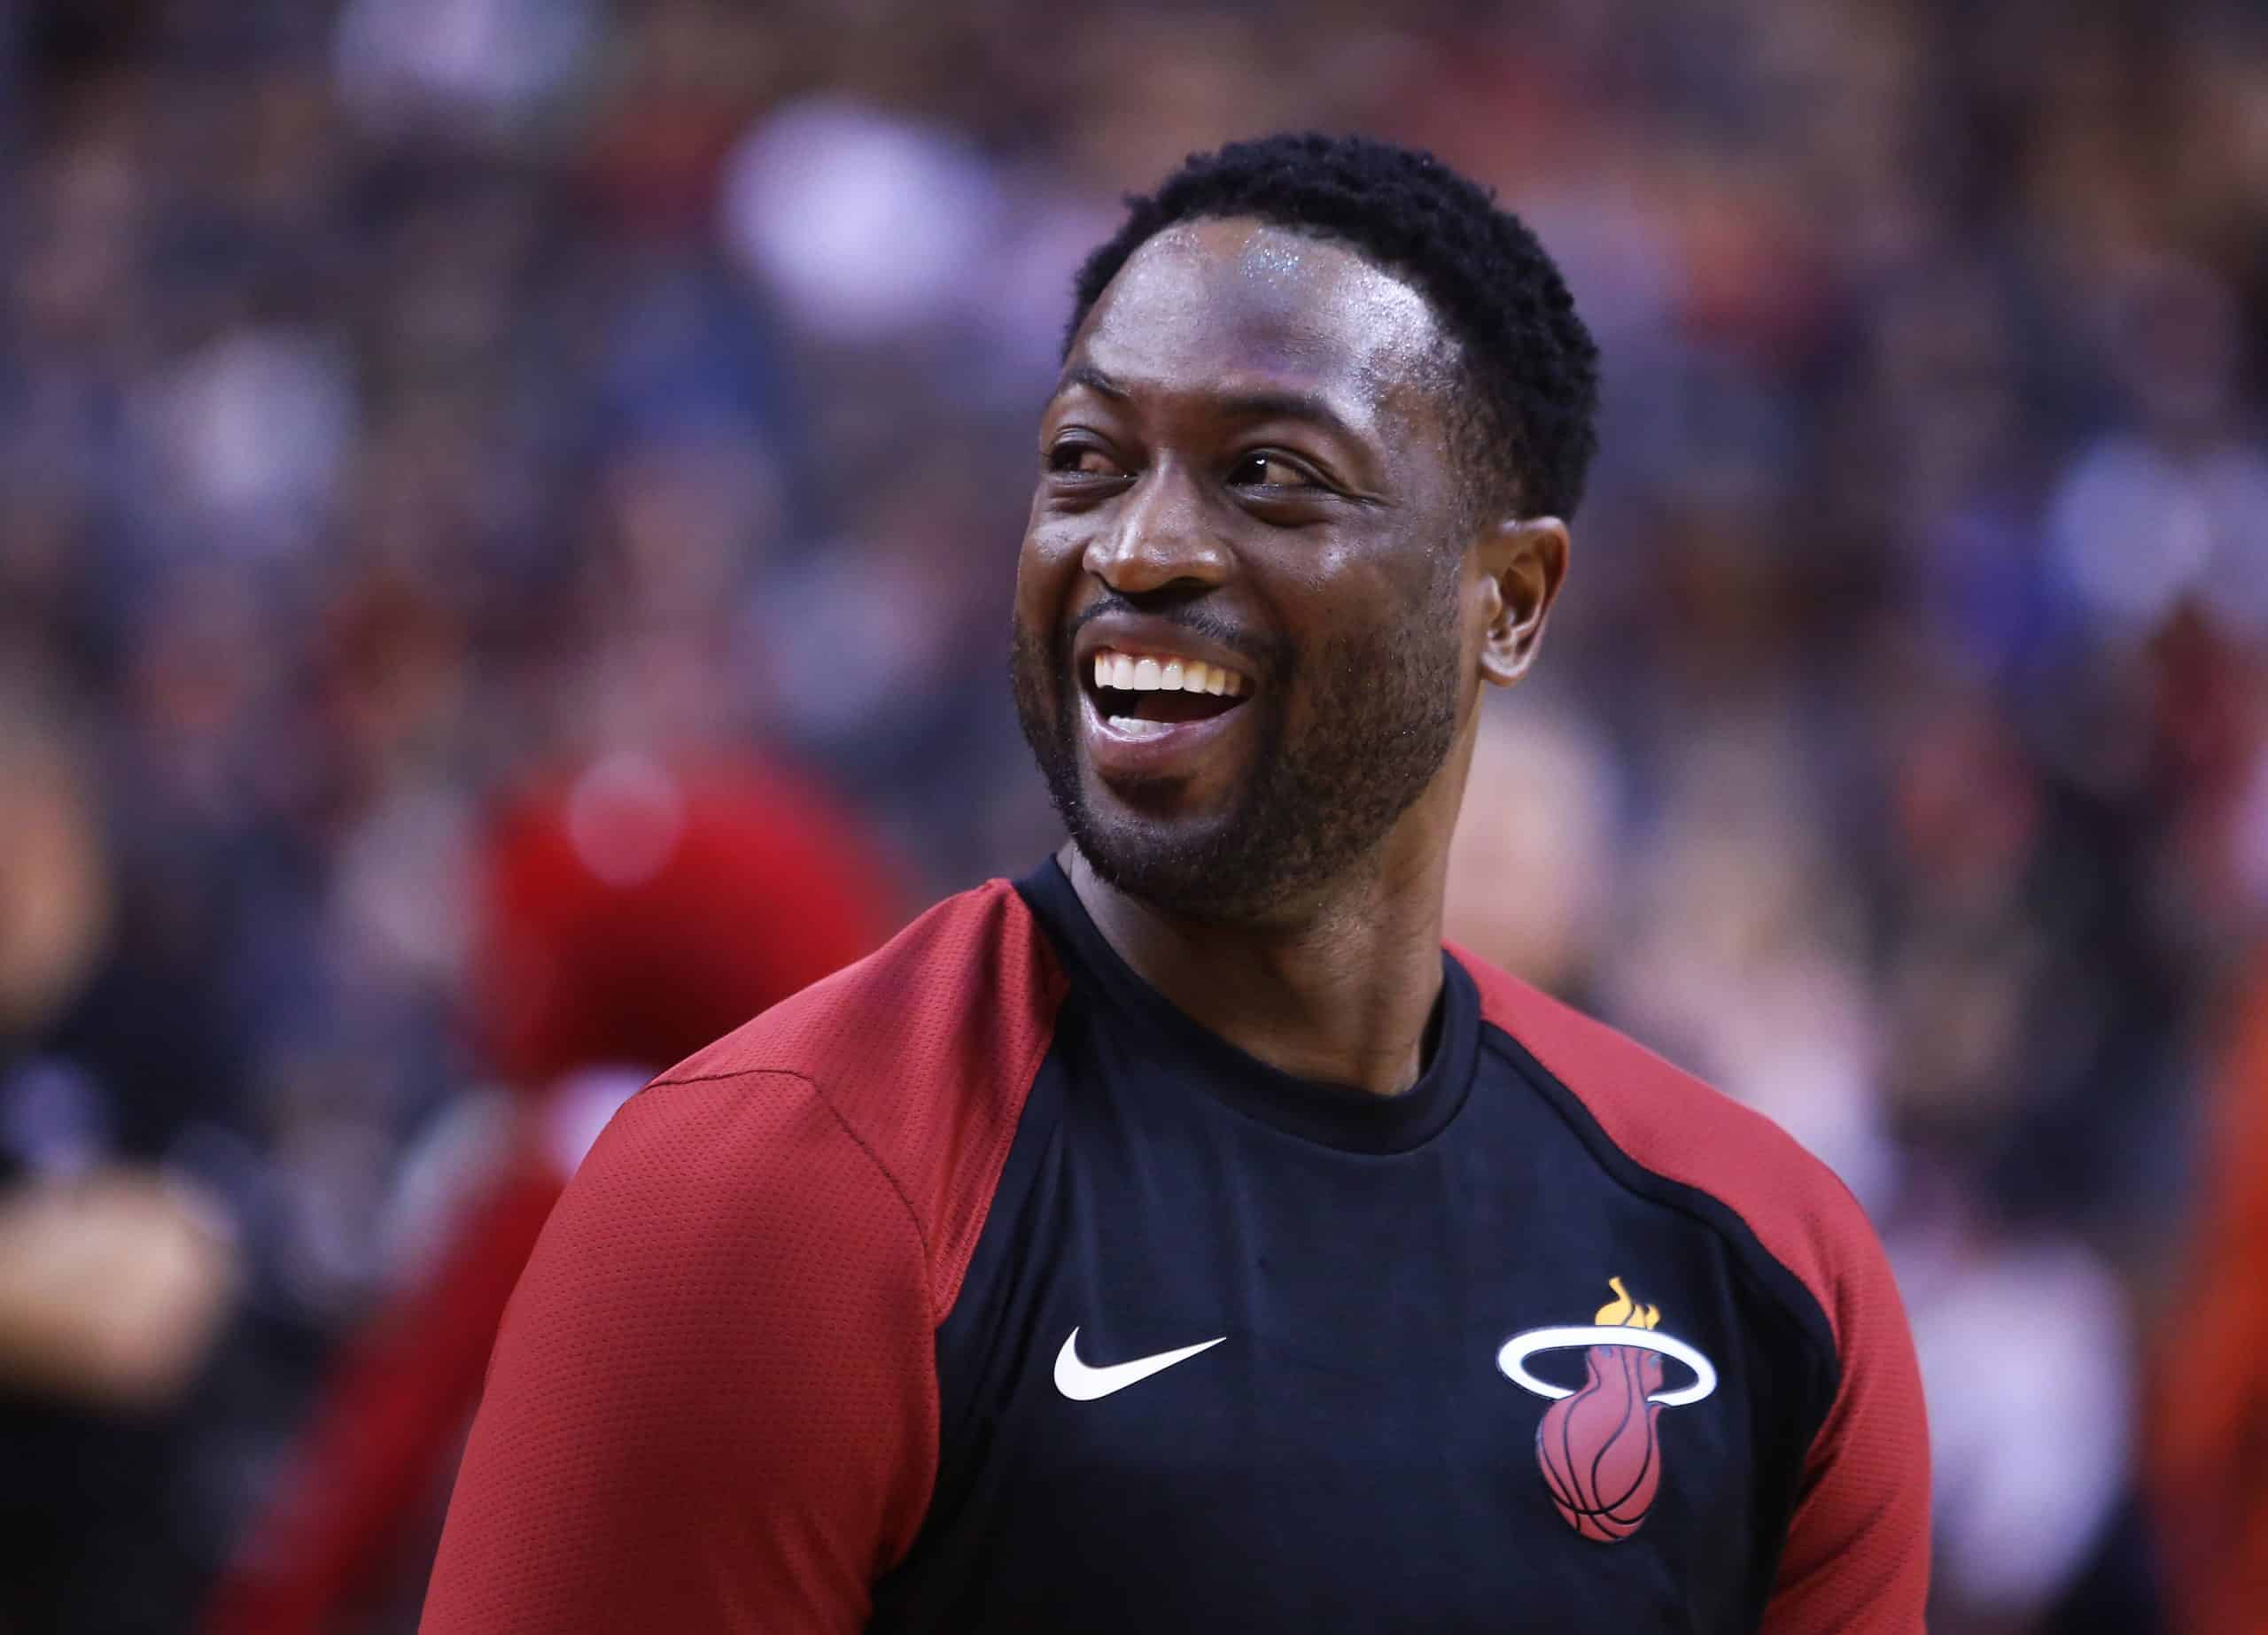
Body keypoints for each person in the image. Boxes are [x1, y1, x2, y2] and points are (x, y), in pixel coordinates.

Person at [420, 133, 1930, 1633]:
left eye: (1270, 474)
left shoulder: (1760, 1262)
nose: (1134, 546)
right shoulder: (768, 1202)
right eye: (1086, 459)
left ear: (1512, 600)